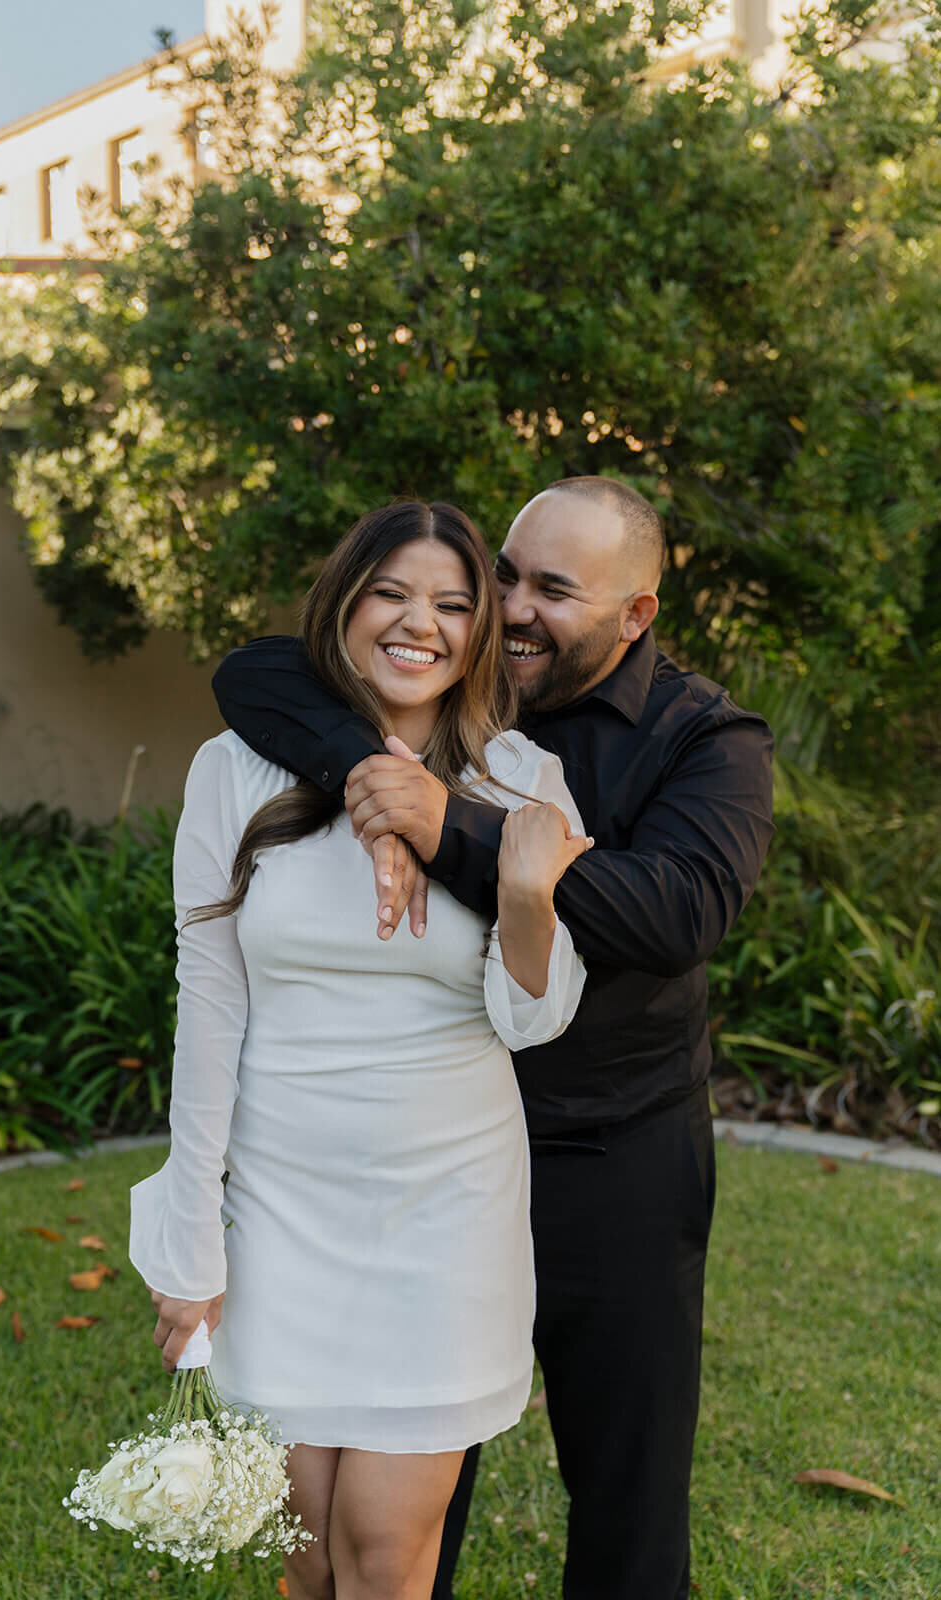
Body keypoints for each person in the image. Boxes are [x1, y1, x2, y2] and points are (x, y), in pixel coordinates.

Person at [210, 476, 775, 1600]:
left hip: (611, 1158)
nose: (511, 607)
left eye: (551, 589)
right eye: (503, 575)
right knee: (403, 1492)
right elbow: (253, 674)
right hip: (432, 1160)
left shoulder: (705, 738)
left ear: (635, 615)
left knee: (626, 1485)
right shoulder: (456, 688)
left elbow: (672, 913)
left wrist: (449, 829)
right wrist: (378, 774)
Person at [128, 500, 591, 1600]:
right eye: (389, 593)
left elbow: (534, 1019)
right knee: (304, 1551)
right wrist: (189, 1242)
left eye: (449, 603)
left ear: (478, 632)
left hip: (445, 1207)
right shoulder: (232, 772)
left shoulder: (522, 780)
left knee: (383, 1551)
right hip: (281, 1204)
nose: (416, 624)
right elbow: (209, 1008)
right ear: (341, 606)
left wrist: (525, 895)